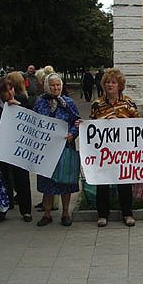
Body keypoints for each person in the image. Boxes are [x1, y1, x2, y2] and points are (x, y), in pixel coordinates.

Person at [90, 68, 140, 227]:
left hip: (123, 151)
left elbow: (138, 124)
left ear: (120, 85)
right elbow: (91, 126)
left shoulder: (128, 103)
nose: (110, 85)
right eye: (107, 82)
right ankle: (102, 214)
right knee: (102, 182)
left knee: (124, 182)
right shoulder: (97, 104)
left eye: (113, 82)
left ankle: (127, 213)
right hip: (104, 151)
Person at [33, 73, 80, 227]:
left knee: (66, 180)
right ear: (47, 86)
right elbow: (32, 122)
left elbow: (77, 122)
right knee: (47, 180)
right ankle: (47, 213)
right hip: (46, 149)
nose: (55, 88)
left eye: (58, 85)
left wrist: (72, 134)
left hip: (65, 147)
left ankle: (65, 213)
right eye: (52, 85)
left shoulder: (68, 103)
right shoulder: (40, 102)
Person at [0, 77, 32, 222]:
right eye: (5, 91)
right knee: (3, 179)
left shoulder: (21, 100)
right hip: (1, 147)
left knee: (21, 178)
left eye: (11, 89)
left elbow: (32, 118)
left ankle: (26, 210)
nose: (9, 93)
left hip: (18, 146)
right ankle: (3, 208)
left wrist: (18, 106)